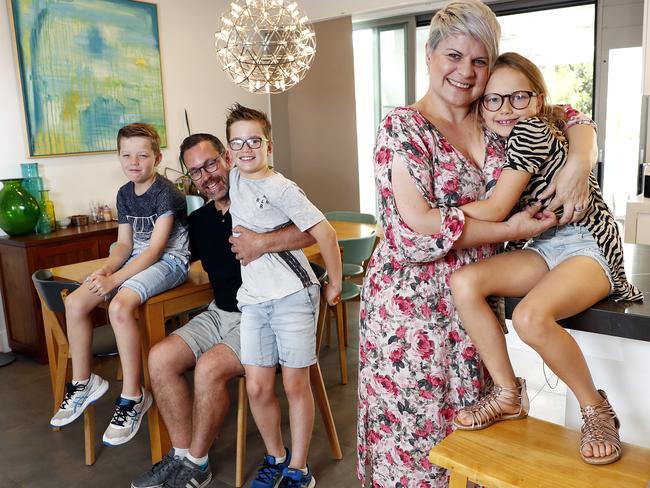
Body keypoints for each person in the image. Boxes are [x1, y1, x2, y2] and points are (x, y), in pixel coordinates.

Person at [356, 1, 600, 486]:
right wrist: (511, 231)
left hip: (472, 310)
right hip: (410, 317)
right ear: (428, 55)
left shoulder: (494, 117)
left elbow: (569, 114)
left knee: (473, 452)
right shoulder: (403, 128)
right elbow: (411, 234)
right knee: (413, 454)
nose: (465, 72)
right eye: (453, 55)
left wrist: (580, 161)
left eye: (479, 60)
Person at [450, 52, 642, 464]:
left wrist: (431, 218)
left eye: (518, 97)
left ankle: (596, 410)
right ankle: (507, 394)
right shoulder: (497, 140)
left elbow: (499, 208)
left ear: (538, 100)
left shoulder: (530, 131)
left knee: (530, 318)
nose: (506, 109)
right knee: (464, 282)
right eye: (494, 99)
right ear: (481, 105)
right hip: (544, 243)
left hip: (589, 242)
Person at [130, 133, 316, 488]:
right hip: (220, 311)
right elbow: (168, 256)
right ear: (190, 178)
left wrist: (263, 242)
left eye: (211, 163)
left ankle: (197, 464)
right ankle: (182, 455)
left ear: (228, 158)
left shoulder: (261, 202)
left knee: (210, 367)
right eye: (197, 171)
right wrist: (118, 274)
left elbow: (312, 231)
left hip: (264, 313)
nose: (207, 176)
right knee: (160, 358)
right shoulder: (199, 222)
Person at [52, 123, 190, 447]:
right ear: (119, 157)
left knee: (119, 305)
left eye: (142, 155)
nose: (134, 162)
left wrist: (114, 281)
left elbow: (156, 250)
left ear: (157, 158)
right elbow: (125, 245)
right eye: (126, 155)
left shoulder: (166, 192)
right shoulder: (125, 194)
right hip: (136, 259)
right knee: (75, 302)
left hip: (171, 261)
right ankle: (83, 382)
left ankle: (133, 395)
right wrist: (104, 271)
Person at [226, 103, 341, 488]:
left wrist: (335, 284)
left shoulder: (282, 187)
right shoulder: (234, 178)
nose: (246, 149)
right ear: (229, 151)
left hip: (293, 295)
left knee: (294, 385)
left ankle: (299, 468)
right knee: (257, 387)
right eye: (237, 143)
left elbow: (324, 232)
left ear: (268, 146)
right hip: (254, 300)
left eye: (254, 141)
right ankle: (275, 457)